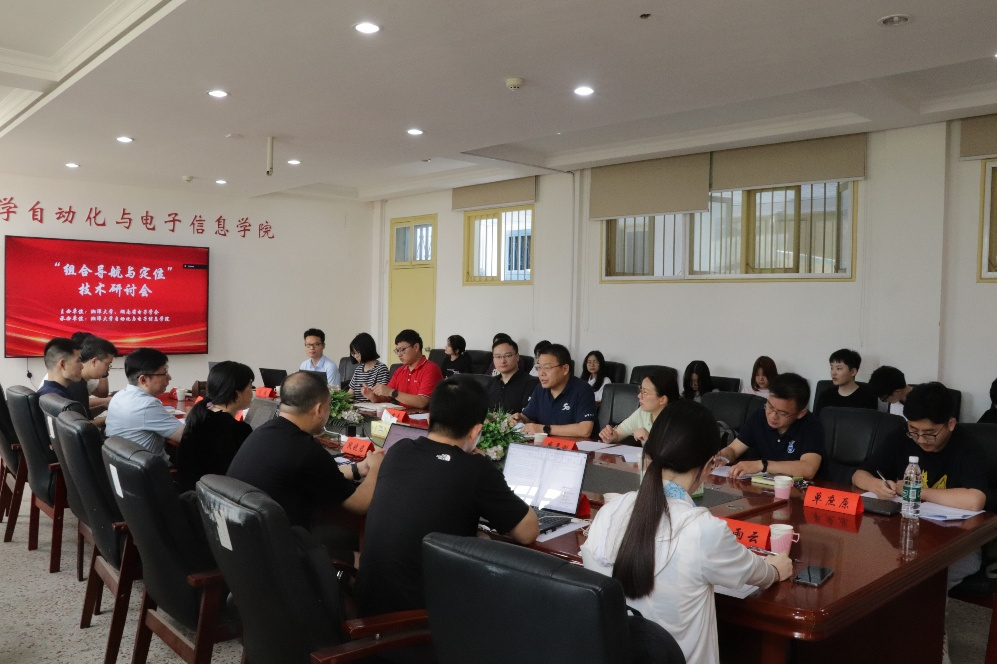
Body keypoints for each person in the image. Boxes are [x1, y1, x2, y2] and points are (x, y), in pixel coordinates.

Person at [582, 401, 793, 663]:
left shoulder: (610, 512)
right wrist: (775, 569)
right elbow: (757, 574)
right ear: (708, 466)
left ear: (648, 455)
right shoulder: (703, 530)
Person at [355, 377, 538, 617]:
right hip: (418, 622)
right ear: (476, 431)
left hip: (368, 607)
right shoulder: (475, 469)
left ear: (429, 419)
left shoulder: (398, 450)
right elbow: (528, 532)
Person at [227, 371, 382, 558]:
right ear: (319, 409)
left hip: (242, 547)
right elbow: (360, 504)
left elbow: (318, 474)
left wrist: (359, 469)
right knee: (364, 561)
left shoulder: (263, 432)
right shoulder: (306, 450)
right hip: (280, 556)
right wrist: (376, 467)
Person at [852, 382, 987, 589]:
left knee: (922, 582)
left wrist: (914, 490)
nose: (921, 440)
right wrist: (877, 485)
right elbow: (859, 475)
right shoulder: (901, 436)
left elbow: (974, 500)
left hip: (956, 540)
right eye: (914, 431)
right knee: (874, 566)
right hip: (906, 531)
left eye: (930, 433)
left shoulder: (968, 446)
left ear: (951, 424)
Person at [714, 373, 825, 480]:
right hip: (762, 487)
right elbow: (733, 450)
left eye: (782, 413)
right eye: (770, 407)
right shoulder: (758, 417)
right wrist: (722, 456)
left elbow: (809, 469)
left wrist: (762, 465)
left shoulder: (812, 426)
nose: (773, 416)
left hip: (799, 489)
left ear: (800, 413)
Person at [174, 361, 255, 492]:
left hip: (192, 494)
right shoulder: (237, 430)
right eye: (250, 388)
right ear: (237, 394)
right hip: (217, 497)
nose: (252, 393)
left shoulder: (199, 416)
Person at [104, 347, 185, 461]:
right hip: (151, 469)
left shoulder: (120, 395)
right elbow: (187, 436)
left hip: (123, 464)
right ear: (143, 380)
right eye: (164, 373)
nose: (169, 378)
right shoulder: (146, 405)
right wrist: (192, 417)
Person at [512, 344, 597, 438]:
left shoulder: (583, 390)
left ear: (565, 369)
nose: (541, 373)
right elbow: (528, 417)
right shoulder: (540, 389)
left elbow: (585, 430)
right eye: (539, 367)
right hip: (544, 445)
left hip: (574, 446)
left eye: (547, 368)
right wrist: (520, 419)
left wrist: (545, 429)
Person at [362, 329, 443, 409]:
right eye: (397, 351)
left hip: (424, 416)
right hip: (402, 415)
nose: (399, 355)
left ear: (416, 347)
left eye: (402, 350)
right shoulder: (400, 371)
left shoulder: (431, 369)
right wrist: (373, 396)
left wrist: (392, 392)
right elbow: (387, 397)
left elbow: (422, 402)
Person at [599, 369, 679, 445]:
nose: (639, 396)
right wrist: (611, 436)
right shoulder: (643, 413)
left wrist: (649, 439)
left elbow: (675, 452)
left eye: (645, 392)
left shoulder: (678, 421)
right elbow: (618, 434)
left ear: (662, 399)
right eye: (640, 390)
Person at [812, 348, 877, 417]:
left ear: (853, 372)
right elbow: (817, 421)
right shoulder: (825, 396)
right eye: (832, 368)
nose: (833, 373)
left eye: (838, 368)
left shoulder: (867, 397)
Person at [486, 338, 538, 414]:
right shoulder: (490, 383)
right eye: (498, 357)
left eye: (507, 356)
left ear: (517, 357)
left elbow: (529, 416)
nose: (502, 361)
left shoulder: (531, 383)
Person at [347, 332, 390, 401]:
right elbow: (349, 394)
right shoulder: (358, 370)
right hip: (357, 406)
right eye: (353, 353)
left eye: (358, 352)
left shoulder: (381, 369)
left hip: (372, 407)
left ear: (367, 349)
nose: (355, 356)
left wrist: (371, 395)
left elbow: (383, 398)